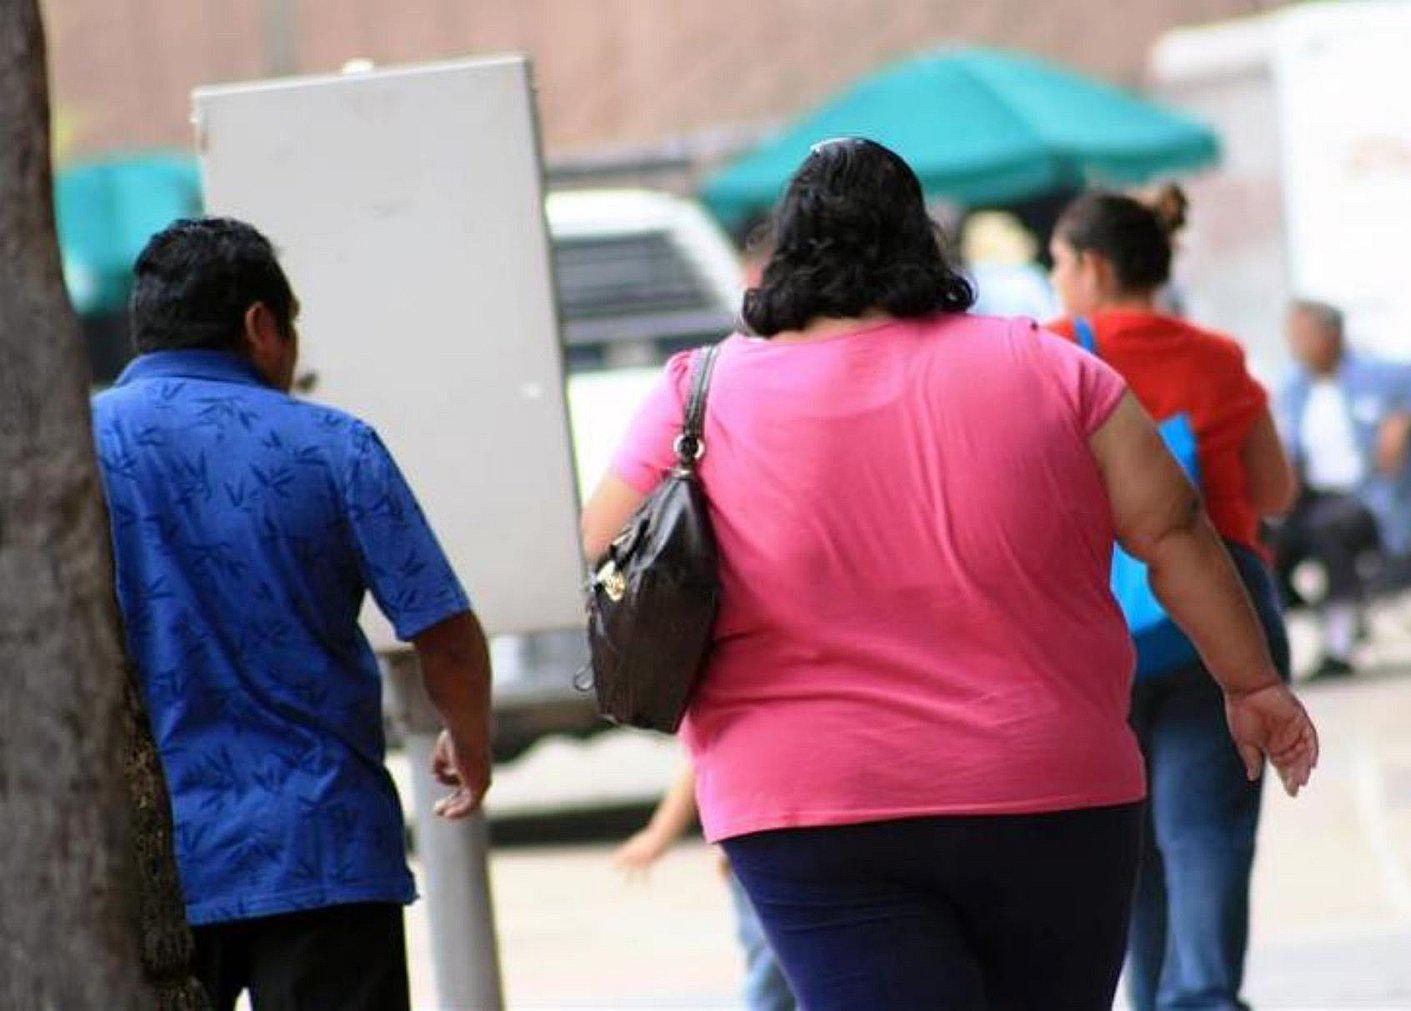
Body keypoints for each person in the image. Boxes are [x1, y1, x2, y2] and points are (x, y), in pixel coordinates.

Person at [580, 138, 1317, 1010]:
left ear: (784, 250)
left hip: (808, 806)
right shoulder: (1054, 369)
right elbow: (1175, 529)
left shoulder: (695, 393)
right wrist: (1252, 682)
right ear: (920, 242)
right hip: (1049, 788)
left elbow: (606, 542)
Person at [92, 218, 493, 1011]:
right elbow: (442, 630)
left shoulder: (74, 448)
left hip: (141, 857)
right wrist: (470, 741)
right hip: (322, 851)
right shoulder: (334, 446)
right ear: (259, 325)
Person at [1045, 189, 1301, 1011]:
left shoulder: (1051, 354)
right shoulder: (1217, 354)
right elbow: (1277, 489)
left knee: (1131, 842)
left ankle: (1156, 999)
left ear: (1092, 266)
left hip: (1097, 617)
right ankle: (1204, 996)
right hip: (1219, 606)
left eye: (1056, 264)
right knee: (1205, 832)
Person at [1276, 299, 1411, 678]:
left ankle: (1339, 641)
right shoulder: (1294, 389)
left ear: (1331, 335)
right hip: (1310, 498)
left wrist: (1404, 418)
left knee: (1331, 527)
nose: (1295, 345)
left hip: (1368, 501)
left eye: (1303, 335)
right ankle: (1307, 624)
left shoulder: (1379, 375)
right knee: (1266, 537)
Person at [614, 766, 797, 1011]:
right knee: (772, 966)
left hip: (812, 837)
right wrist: (660, 834)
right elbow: (698, 763)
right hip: (758, 842)